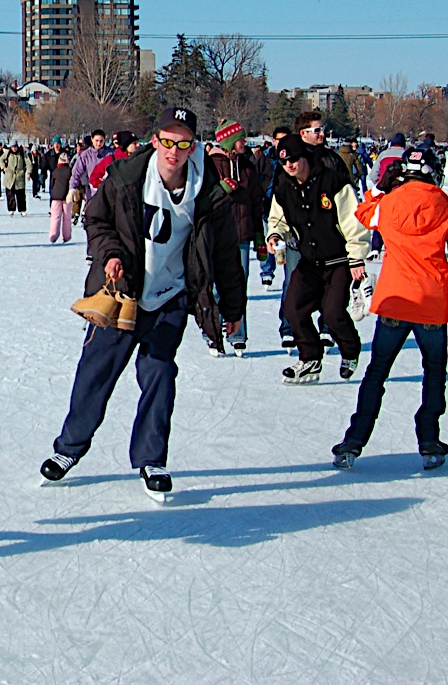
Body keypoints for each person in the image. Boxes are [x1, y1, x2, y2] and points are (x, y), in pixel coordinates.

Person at [41, 107, 245, 501]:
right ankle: (69, 448)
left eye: (182, 144)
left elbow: (224, 255)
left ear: (193, 147)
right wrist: (111, 254)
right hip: (122, 294)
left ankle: (152, 459)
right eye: (167, 141)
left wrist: (233, 309)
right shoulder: (127, 177)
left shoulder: (207, 192)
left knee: (160, 374)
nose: (173, 151)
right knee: (96, 372)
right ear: (155, 141)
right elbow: (96, 220)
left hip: (169, 297)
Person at [332, 147, 448, 471]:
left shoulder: (388, 204)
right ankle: (429, 441)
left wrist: (380, 188)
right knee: (434, 373)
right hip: (431, 305)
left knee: (377, 372)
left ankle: (353, 441)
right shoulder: (446, 210)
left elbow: (363, 214)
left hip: (395, 302)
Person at [268, 135, 371, 382]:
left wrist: (357, 258)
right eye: (284, 162)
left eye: (294, 159)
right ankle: (310, 358)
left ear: (305, 156)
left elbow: (353, 222)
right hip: (309, 262)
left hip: (338, 261)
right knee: (293, 310)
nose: (289, 165)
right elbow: (277, 220)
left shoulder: (333, 182)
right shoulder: (284, 188)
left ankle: (350, 350)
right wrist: (275, 235)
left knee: (333, 314)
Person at [208, 120, 264, 354]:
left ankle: (237, 334)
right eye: (240, 139)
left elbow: (257, 203)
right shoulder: (210, 165)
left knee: (239, 285)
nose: (245, 142)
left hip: (241, 235)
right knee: (214, 286)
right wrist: (220, 188)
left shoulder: (248, 167)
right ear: (229, 142)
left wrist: (259, 237)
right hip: (216, 234)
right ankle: (212, 332)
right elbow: (201, 198)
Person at [68, 130, 112, 223]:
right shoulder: (85, 155)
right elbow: (76, 172)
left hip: (109, 193)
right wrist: (72, 188)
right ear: (92, 140)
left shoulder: (110, 154)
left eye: (101, 141)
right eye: (96, 141)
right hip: (92, 193)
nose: (99, 143)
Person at [47, 150, 74, 243]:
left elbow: (51, 185)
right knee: (67, 218)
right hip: (67, 197)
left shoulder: (55, 171)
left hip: (56, 197)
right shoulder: (70, 171)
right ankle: (67, 236)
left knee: (55, 217)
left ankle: (53, 235)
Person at [1, 143, 28, 215]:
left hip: (19, 177)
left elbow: (28, 162)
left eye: (15, 147)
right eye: (13, 147)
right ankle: (11, 209)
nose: (14, 148)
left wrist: (29, 172)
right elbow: (1, 160)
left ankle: (22, 210)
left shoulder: (22, 153)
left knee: (21, 195)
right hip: (9, 176)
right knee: (10, 195)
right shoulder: (8, 153)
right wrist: (3, 167)